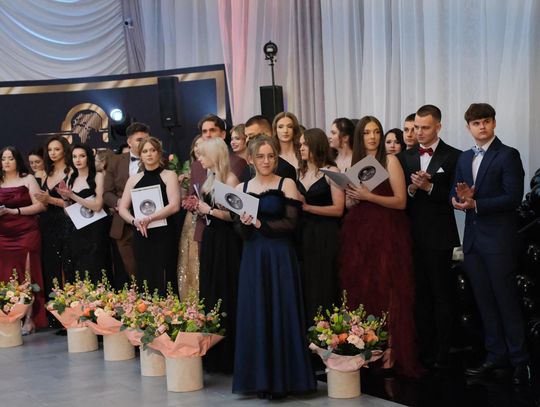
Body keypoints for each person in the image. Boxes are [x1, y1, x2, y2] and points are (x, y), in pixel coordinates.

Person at [452, 103, 530, 385]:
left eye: (486, 121)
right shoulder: (464, 158)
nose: (482, 126)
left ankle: (521, 361)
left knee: (506, 302)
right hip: (473, 242)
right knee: (484, 303)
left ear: (494, 123)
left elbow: (513, 197)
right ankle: (496, 355)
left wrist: (476, 204)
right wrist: (459, 200)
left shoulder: (508, 155)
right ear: (468, 127)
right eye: (476, 123)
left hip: (498, 242)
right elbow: (455, 192)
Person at [233, 135, 316, 398]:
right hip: (253, 257)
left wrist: (259, 223)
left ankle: (287, 380)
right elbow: (240, 232)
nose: (266, 161)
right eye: (261, 156)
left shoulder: (286, 183)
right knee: (256, 311)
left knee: (282, 310)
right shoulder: (242, 187)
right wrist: (244, 223)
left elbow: (291, 224)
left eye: (271, 156)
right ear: (251, 159)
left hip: (280, 256)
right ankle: (259, 380)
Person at [340, 116, 421, 377]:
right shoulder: (355, 165)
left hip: (388, 231)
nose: (373, 137)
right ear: (359, 137)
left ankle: (393, 350)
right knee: (365, 289)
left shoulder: (390, 161)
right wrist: (354, 197)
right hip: (360, 234)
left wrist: (369, 196)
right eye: (367, 133)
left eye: (376, 132)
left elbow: (400, 201)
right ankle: (368, 348)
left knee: (390, 290)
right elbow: (350, 204)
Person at [397, 105, 461, 370]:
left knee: (442, 296)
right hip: (411, 236)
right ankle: (422, 350)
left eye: (424, 127)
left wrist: (430, 186)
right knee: (418, 295)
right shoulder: (404, 157)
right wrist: (413, 188)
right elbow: (400, 196)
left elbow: (456, 197)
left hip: (440, 237)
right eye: (416, 127)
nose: (419, 132)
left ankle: (444, 351)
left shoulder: (454, 156)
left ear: (438, 127)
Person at [194, 137, 241, 374]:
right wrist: (201, 210)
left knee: (224, 290)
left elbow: (234, 216)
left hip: (226, 242)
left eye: (203, 154)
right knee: (210, 291)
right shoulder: (209, 178)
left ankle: (227, 355)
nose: (200, 159)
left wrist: (209, 210)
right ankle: (212, 352)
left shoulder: (230, 179)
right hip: (212, 238)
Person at [118, 137, 180, 295]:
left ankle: (169, 310)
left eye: (153, 150)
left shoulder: (169, 175)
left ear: (159, 153)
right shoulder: (133, 180)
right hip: (142, 234)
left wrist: (150, 218)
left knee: (166, 275)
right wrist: (134, 221)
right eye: (145, 151)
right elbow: (122, 209)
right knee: (145, 275)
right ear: (140, 155)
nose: (149, 154)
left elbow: (174, 206)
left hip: (165, 234)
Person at [297, 128, 344, 325]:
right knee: (307, 282)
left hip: (326, 234)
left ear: (316, 146)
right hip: (303, 234)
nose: (301, 148)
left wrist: (308, 207)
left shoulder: (332, 171)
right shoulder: (300, 172)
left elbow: (338, 209)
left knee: (325, 281)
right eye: (300, 144)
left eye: (305, 144)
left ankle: (328, 330)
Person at [182, 114, 247, 251]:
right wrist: (193, 204)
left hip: (228, 234)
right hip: (206, 231)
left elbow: (237, 211)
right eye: (204, 131)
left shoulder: (237, 164)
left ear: (223, 134)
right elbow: (195, 194)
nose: (208, 135)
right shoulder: (197, 166)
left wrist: (209, 210)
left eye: (212, 130)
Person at [0, 147, 46, 333]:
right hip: (3, 235)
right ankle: (9, 317)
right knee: (7, 275)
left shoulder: (28, 179)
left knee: (28, 275)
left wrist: (14, 211)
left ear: (18, 160)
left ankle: (29, 319)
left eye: (10, 158)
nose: (6, 162)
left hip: (26, 232)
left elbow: (40, 206)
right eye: (3, 158)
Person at [104, 122, 149, 287]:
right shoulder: (115, 161)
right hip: (123, 224)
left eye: (146, 139)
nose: (144, 143)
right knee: (131, 270)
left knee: (150, 267)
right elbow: (106, 193)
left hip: (150, 220)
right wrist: (120, 203)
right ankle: (138, 299)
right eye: (139, 140)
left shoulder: (156, 160)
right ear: (129, 142)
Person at [57, 144, 110, 283]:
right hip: (76, 230)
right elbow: (68, 212)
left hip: (95, 230)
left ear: (88, 157)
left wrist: (73, 196)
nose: (78, 160)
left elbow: (98, 206)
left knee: (95, 266)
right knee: (77, 268)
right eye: (74, 156)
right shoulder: (71, 178)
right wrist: (65, 199)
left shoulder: (98, 176)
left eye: (82, 156)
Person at [34, 135, 72, 329]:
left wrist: (51, 200)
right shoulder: (45, 174)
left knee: (68, 267)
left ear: (64, 150)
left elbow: (73, 203)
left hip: (67, 223)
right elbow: (43, 203)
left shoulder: (71, 171)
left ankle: (71, 315)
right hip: (47, 224)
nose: (53, 153)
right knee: (51, 267)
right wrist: (42, 201)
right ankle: (56, 316)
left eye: (57, 149)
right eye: (50, 150)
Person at [177, 135, 203, 299]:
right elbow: (183, 198)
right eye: (196, 145)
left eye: (202, 145)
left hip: (205, 215)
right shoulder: (189, 166)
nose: (198, 148)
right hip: (190, 217)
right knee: (188, 253)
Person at [243, 115, 296, 181]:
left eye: (252, 136)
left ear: (266, 135)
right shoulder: (246, 170)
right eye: (246, 136)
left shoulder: (285, 169)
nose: (247, 141)